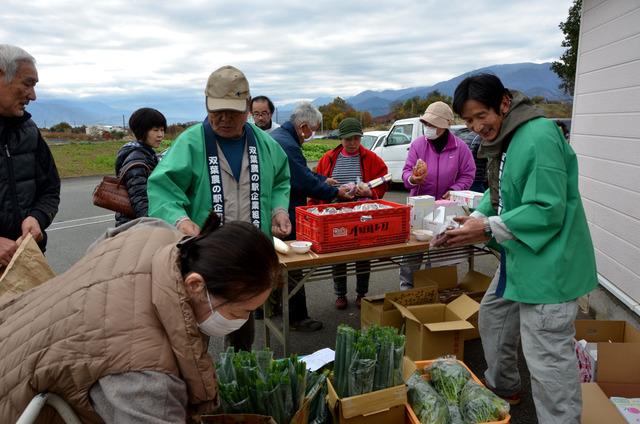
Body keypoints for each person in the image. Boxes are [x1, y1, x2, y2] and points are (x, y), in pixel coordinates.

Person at [0, 213, 280, 423]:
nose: (242, 321)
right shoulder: (147, 380)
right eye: (238, 312)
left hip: (13, 324)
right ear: (195, 285)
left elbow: (101, 246)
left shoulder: (155, 231)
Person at [435, 73, 597, 424]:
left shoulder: (536, 137)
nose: (476, 126)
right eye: (468, 120)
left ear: (504, 104)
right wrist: (474, 218)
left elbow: (547, 209)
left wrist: (486, 226)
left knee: (548, 363)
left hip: (550, 268)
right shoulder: (508, 137)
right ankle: (504, 384)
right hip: (521, 259)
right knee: (493, 316)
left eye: (482, 116)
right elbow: (499, 196)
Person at [147, 65, 291, 351]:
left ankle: (238, 376)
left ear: (248, 109)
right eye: (217, 112)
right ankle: (195, 382)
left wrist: (278, 210)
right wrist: (180, 221)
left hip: (247, 256)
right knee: (190, 329)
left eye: (233, 112)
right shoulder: (190, 143)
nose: (224, 119)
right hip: (202, 254)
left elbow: (280, 180)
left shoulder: (264, 144)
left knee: (241, 324)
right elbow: (163, 189)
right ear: (206, 105)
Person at [270, 102, 351, 330]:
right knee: (293, 264)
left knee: (277, 264)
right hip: (284, 212)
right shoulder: (287, 144)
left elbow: (302, 173)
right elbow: (302, 181)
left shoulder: (280, 137)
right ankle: (298, 318)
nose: (311, 134)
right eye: (312, 130)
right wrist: (334, 192)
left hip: (278, 209)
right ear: (303, 126)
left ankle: (272, 308)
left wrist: (322, 180)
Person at [312, 117, 388, 309]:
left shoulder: (370, 158)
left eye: (356, 138)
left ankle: (362, 294)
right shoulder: (329, 158)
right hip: (335, 214)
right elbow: (316, 184)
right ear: (341, 139)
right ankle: (340, 294)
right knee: (338, 256)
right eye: (348, 139)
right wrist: (323, 186)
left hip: (362, 214)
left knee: (363, 255)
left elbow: (384, 179)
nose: (353, 143)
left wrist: (370, 192)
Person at [398, 101, 476, 290]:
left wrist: (455, 189)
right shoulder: (418, 145)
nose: (429, 128)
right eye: (427, 124)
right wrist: (414, 179)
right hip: (419, 208)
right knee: (412, 254)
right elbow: (406, 172)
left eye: (433, 124)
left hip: (446, 210)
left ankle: (434, 291)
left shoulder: (460, 148)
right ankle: (407, 290)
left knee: (440, 252)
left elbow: (469, 173)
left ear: (446, 124)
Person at [0, 44, 60, 266]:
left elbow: (50, 189)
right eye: (28, 84)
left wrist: (37, 217)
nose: (33, 96)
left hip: (25, 263)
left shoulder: (29, 130)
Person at [114, 107, 166, 226]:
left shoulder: (147, 154)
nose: (160, 135)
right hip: (135, 226)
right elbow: (141, 202)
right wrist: (156, 227)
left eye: (162, 130)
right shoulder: (137, 160)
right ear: (142, 131)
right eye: (155, 130)